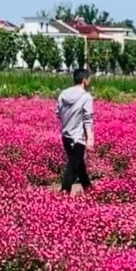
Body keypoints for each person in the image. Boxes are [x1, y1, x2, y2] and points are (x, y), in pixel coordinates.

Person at [56, 68, 94, 196]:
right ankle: (64, 192)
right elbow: (87, 118)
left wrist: (68, 122)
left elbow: (58, 113)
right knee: (73, 166)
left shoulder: (62, 94)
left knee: (78, 164)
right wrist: (90, 138)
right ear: (84, 80)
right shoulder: (86, 96)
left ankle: (89, 189)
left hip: (66, 136)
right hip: (77, 138)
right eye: (88, 79)